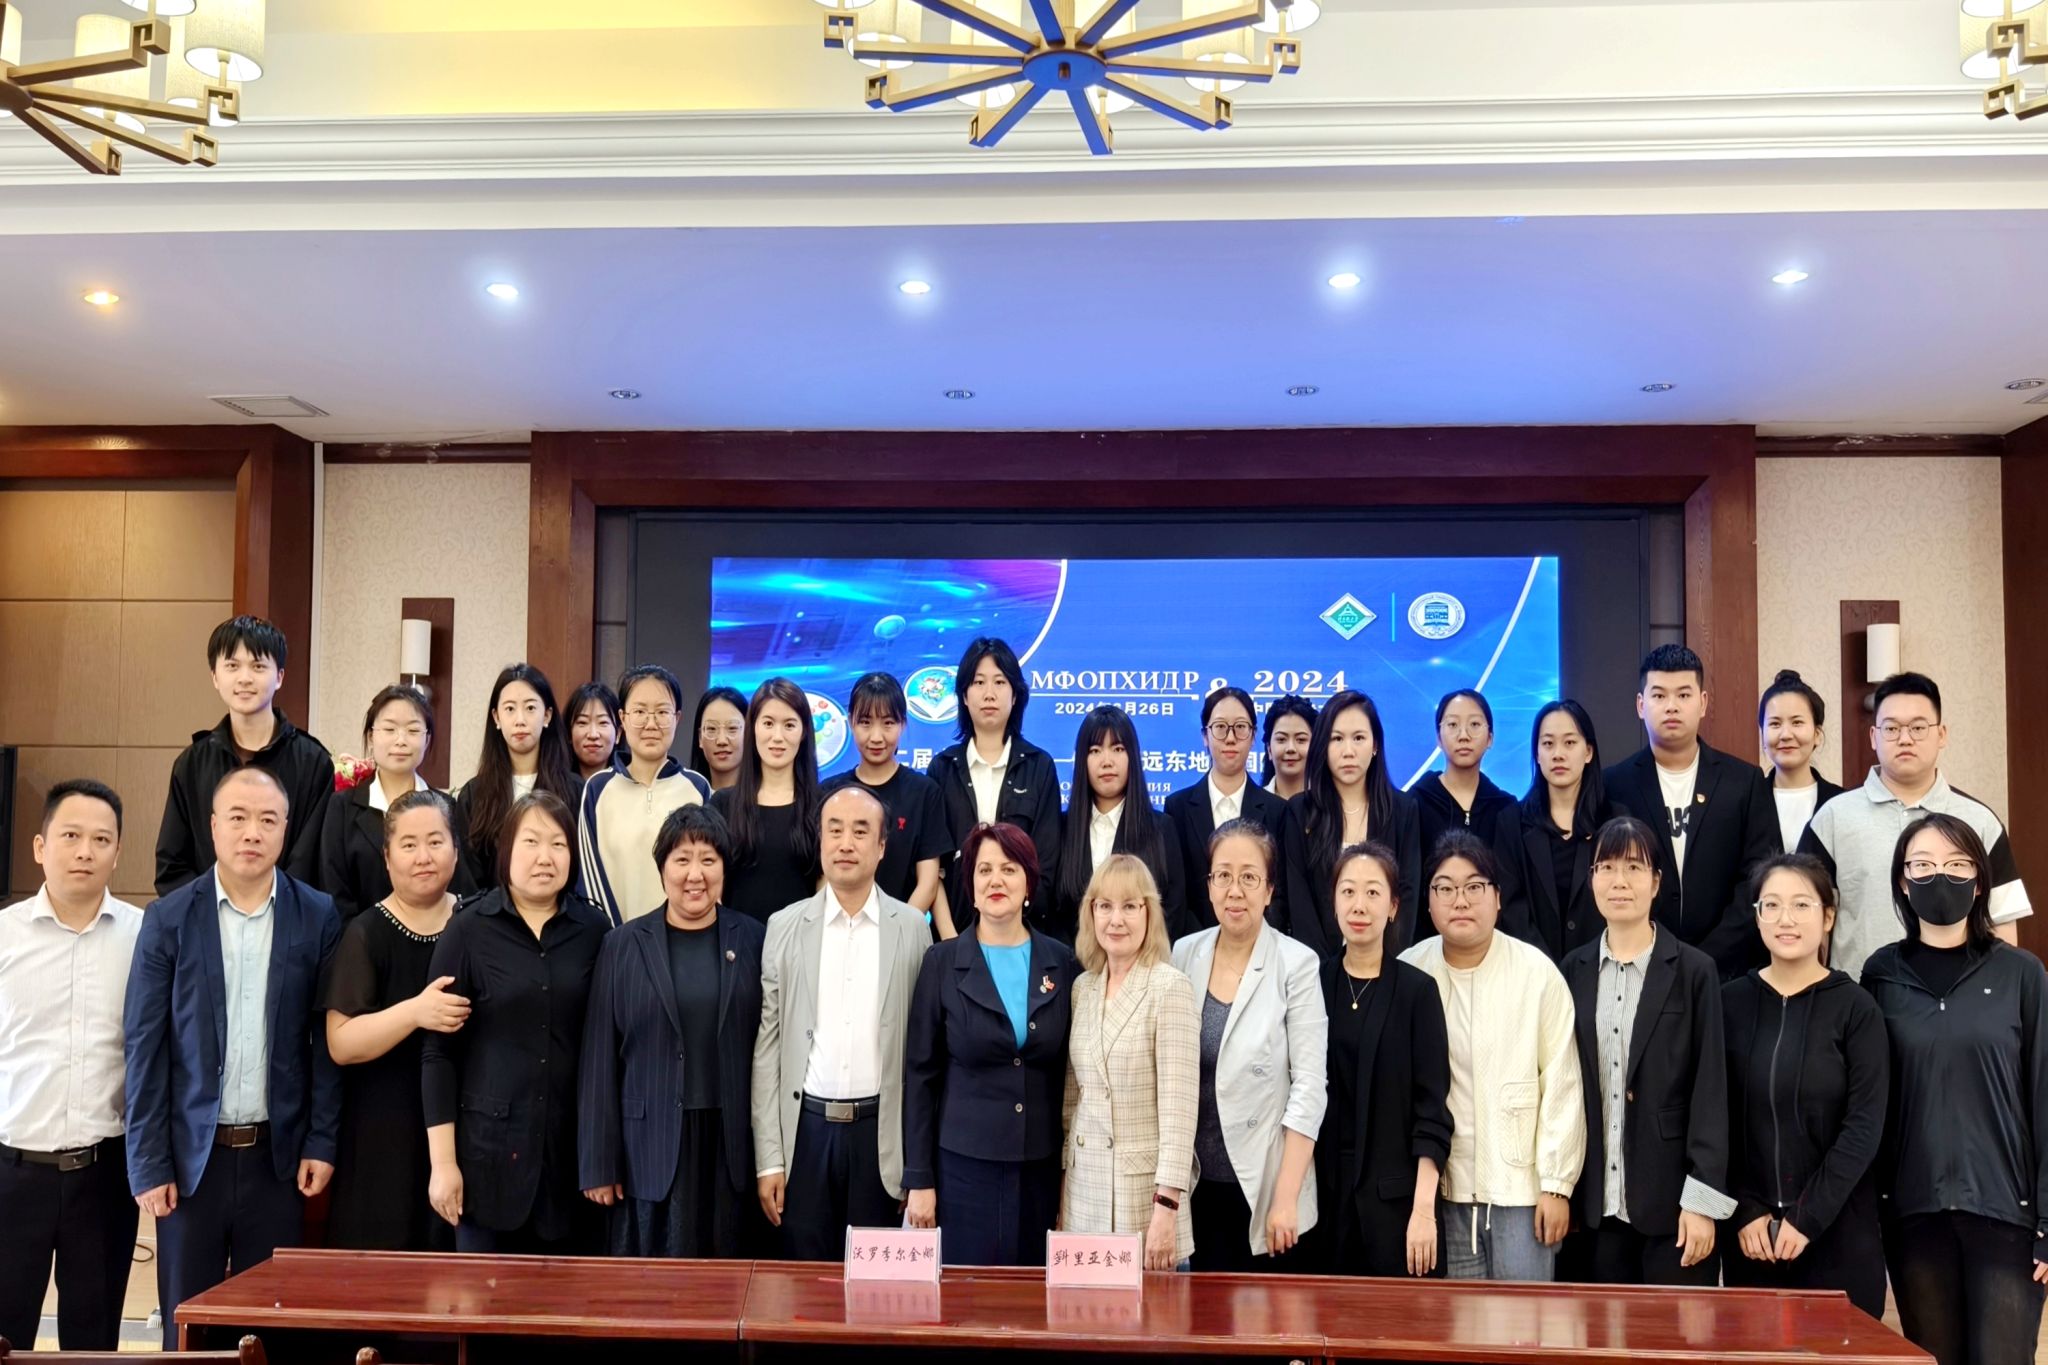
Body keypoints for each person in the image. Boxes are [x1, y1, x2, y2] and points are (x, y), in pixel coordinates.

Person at [124, 767, 341, 1348]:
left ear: (286, 829)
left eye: (268, 820)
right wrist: (149, 1163)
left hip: (278, 1157)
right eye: (239, 818)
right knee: (188, 1328)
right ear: (214, 826)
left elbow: (324, 1041)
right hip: (191, 1164)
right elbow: (145, 1046)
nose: (252, 832)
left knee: (266, 1330)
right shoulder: (169, 917)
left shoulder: (317, 914)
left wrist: (321, 1141)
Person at [1864, 813, 2048, 1365]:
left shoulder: (2021, 973)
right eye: (1921, 865)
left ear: (1980, 880)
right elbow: (1870, 1099)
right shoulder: (1880, 975)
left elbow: (2044, 1094)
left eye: (1956, 864)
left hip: (2007, 1213)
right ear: (1902, 881)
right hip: (1913, 1211)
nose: (1938, 877)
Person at [422, 791, 608, 1253]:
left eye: (558, 844)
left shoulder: (595, 931)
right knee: (480, 1297)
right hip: (485, 1162)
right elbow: (438, 1053)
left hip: (571, 1167)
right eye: (531, 842)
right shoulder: (468, 929)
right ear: (506, 849)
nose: (545, 857)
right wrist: (443, 1165)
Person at [752, 786, 930, 1260]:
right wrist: (770, 1159)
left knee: (875, 1288)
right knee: (805, 1286)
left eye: (860, 831)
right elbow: (768, 1050)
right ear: (820, 841)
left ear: (882, 847)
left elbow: (923, 1057)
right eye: (834, 830)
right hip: (806, 1134)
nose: (846, 843)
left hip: (881, 1138)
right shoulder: (784, 926)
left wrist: (917, 1166)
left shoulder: (913, 928)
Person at [580, 804, 766, 1258]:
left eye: (708, 859)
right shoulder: (622, 945)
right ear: (662, 867)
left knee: (727, 1275)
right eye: (682, 859)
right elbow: (599, 1057)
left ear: (724, 869)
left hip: (730, 1143)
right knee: (656, 1283)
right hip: (650, 1145)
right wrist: (599, 1162)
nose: (694, 874)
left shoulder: (754, 939)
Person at [1559, 816, 1735, 1287]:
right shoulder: (1572, 970)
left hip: (1673, 1207)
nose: (1619, 881)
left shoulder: (1694, 971)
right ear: (1592, 879)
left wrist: (1702, 1202)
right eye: (1607, 867)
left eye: (1634, 868)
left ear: (1656, 882)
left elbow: (1711, 1090)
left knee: (1676, 1334)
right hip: (1594, 1209)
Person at [1399, 832, 1583, 1282]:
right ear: (1428, 903)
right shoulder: (1410, 971)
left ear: (1498, 898)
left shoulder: (1536, 972)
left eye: (1475, 886)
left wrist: (1557, 1186)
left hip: (1522, 1194)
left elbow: (1562, 1082)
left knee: (1524, 1323)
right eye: (1445, 888)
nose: (1460, 900)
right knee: (1458, 1324)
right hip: (1444, 1193)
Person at [0, 781, 143, 1350]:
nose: (86, 851)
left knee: (93, 1343)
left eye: (101, 839)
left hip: (104, 1174)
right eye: (71, 836)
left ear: (117, 851)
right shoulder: (4, 936)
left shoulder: (144, 936)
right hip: (12, 1173)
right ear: (40, 847)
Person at [903, 822, 1079, 1266]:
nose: (996, 880)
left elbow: (1069, 1073)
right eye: (984, 870)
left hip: (1040, 1169)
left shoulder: (1062, 962)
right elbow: (920, 1078)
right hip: (963, 1170)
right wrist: (919, 1179)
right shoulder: (942, 962)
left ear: (1028, 884)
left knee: (1034, 1298)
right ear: (971, 887)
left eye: (1009, 869)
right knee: (968, 1297)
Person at [1720, 854, 1887, 1318]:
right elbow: (1712, 1120)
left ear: (1828, 916)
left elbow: (1864, 1128)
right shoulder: (1728, 1004)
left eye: (1801, 905)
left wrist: (1806, 1218)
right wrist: (1744, 1210)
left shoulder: (1857, 1009)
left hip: (1837, 1235)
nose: (1785, 919)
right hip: (1751, 1240)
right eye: (1771, 905)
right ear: (1757, 916)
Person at [1801, 671, 2031, 980]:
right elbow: (1810, 922)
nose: (1905, 738)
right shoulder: (1832, 818)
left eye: (1919, 728)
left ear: (1942, 734)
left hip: (1958, 999)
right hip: (1859, 997)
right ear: (1873, 737)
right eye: (1892, 728)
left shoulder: (1979, 821)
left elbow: (2001, 921)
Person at [1172, 819, 1327, 1271]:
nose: (1234, 891)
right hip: (1196, 1184)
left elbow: (1309, 1088)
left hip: (1267, 1188)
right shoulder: (1183, 954)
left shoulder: (1296, 964)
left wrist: (1286, 1197)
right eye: (1223, 875)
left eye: (1249, 877)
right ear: (1208, 885)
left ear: (1269, 890)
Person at [320, 789, 467, 1252]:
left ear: (456, 849)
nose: (423, 856)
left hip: (465, 1133)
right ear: (387, 857)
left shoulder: (478, 922)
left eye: (436, 842)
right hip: (382, 1133)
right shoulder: (365, 932)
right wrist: (415, 1012)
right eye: (408, 845)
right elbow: (341, 1042)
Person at [1315, 840, 1451, 1279]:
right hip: (1322, 1209)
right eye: (1348, 891)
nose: (1359, 904)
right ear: (1334, 901)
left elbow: (1432, 1113)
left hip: (1398, 1213)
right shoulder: (1311, 985)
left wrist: (1424, 1211)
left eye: (1373, 892)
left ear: (1393, 907)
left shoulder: (1418, 992)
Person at [1603, 644, 1777, 979]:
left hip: (1728, 971)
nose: (1671, 706)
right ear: (1641, 705)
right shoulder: (1613, 785)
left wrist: (1705, 960)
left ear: (1703, 703)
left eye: (1683, 695)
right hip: (1639, 968)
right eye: (1659, 695)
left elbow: (1759, 877)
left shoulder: (1744, 781)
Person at [1060, 854, 1200, 1271]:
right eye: (1105, 906)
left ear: (1148, 913)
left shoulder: (1170, 987)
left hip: (1145, 1203)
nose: (1116, 920)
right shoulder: (1083, 988)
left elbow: (1179, 1114)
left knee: (1154, 1313)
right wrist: (1063, 1192)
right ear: (1091, 913)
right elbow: (1073, 1102)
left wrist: (1166, 1208)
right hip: (1083, 1195)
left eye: (1129, 906)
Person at [156, 615, 333, 895]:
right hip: (206, 916)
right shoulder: (192, 763)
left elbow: (314, 863)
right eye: (232, 666)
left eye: (258, 666)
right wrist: (214, 909)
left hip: (289, 916)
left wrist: (266, 908)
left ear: (279, 677)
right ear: (215, 677)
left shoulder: (313, 762)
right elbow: (172, 864)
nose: (245, 678)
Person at [925, 638, 1063, 929]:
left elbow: (1045, 865)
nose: (989, 694)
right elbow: (933, 867)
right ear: (964, 695)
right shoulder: (942, 769)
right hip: (955, 933)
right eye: (979, 682)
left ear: (1015, 696)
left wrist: (1015, 934)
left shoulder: (1039, 766)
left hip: (1022, 934)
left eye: (1000, 682)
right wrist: (951, 940)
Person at [306, 684, 474, 922]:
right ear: (371, 737)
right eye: (389, 729)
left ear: (427, 739)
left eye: (413, 730)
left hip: (440, 939)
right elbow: (333, 891)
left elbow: (462, 890)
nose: (400, 740)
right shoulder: (342, 807)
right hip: (358, 939)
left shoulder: (447, 808)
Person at [1277, 690, 1423, 958]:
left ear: (1375, 745)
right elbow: (1299, 903)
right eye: (1336, 739)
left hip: (1387, 964)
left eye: (1358, 738)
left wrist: (1384, 964)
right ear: (1323, 746)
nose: (1348, 751)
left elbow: (1407, 896)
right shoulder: (1300, 811)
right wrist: (1325, 970)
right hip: (1316, 969)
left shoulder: (1403, 810)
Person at [579, 664, 714, 927]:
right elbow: (589, 878)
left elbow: (708, 872)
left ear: (677, 718)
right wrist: (617, 941)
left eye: (662, 712)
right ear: (623, 718)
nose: (651, 724)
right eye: (640, 712)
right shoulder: (598, 788)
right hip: (615, 941)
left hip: (683, 940)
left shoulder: (698, 788)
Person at [822, 672, 950, 930]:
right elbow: (822, 875)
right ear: (851, 722)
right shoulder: (829, 793)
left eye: (888, 723)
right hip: (841, 931)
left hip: (904, 932)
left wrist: (895, 931)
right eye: (865, 722)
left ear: (903, 723)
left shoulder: (924, 792)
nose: (876, 736)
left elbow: (928, 882)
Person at [1054, 705, 1187, 943]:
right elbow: (1054, 914)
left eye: (1117, 749)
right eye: (1095, 750)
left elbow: (1173, 913)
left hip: (1145, 963)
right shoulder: (1060, 829)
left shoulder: (1161, 829)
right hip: (1071, 964)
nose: (1107, 761)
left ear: (1132, 757)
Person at [1164, 686, 1289, 938]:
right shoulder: (1177, 807)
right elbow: (1177, 894)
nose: (1230, 738)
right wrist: (1203, 945)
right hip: (1193, 947)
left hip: (1260, 946)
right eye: (1220, 727)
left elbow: (1280, 893)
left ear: (1253, 736)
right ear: (1205, 736)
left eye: (1240, 727)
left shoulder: (1277, 809)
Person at [1512, 701, 1625, 962]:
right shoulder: (1512, 822)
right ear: (1537, 754)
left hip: (1603, 966)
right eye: (1548, 744)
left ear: (1588, 752)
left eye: (1570, 743)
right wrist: (1546, 969)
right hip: (1531, 970)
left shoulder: (1616, 821)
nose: (1558, 754)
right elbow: (1511, 907)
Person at [454, 663, 582, 893]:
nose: (520, 720)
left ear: (547, 715)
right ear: (496, 717)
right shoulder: (474, 795)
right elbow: (467, 875)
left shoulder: (576, 790)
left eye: (530, 708)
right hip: (489, 912)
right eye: (510, 709)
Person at [710, 677, 823, 924]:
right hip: (736, 942)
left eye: (789, 725)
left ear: (804, 732)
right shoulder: (722, 804)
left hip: (800, 942)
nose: (777, 737)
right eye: (768, 723)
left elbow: (825, 887)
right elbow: (712, 885)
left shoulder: (823, 805)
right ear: (753, 728)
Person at [1413, 689, 1521, 858]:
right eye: (1453, 725)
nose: (1463, 736)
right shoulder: (1415, 803)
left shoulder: (1506, 808)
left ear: (1490, 738)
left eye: (1474, 724)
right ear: (1439, 738)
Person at [1759, 670, 1841, 854]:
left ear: (1817, 734)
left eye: (1797, 723)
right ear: (1762, 735)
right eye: (1775, 724)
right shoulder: (1746, 803)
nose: (1786, 735)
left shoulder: (1840, 802)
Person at [689, 685, 748, 793]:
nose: (722, 741)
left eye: (732, 728)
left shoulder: (764, 798)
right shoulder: (687, 796)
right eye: (712, 729)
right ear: (700, 737)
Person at [1259, 694, 1317, 803]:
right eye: (1281, 739)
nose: (1291, 748)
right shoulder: (1252, 804)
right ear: (1269, 749)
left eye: (1301, 739)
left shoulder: (1329, 805)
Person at [567, 680, 623, 782]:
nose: (593, 735)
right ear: (569, 732)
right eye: (583, 722)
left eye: (603, 722)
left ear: (618, 734)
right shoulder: (552, 784)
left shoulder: (629, 785)